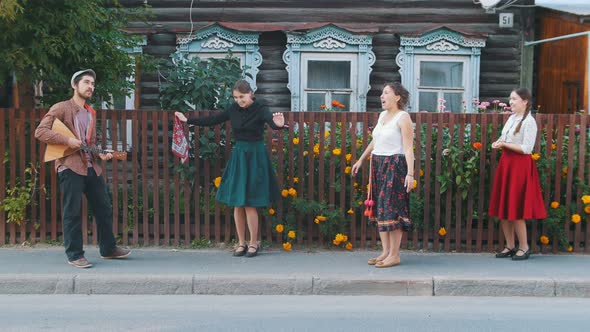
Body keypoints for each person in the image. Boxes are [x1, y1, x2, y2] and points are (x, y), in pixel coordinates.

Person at [175, 79, 285, 258]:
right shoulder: (233, 109)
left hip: (255, 156)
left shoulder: (261, 108)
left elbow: (272, 123)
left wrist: (279, 124)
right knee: (238, 202)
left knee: (250, 203)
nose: (238, 100)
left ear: (250, 94)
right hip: (239, 155)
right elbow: (213, 119)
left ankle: (253, 243)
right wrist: (188, 120)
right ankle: (241, 243)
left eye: (242, 97)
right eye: (235, 97)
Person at [35, 69, 130, 268]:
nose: (90, 86)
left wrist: (101, 153)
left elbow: (90, 143)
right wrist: (67, 140)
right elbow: (41, 131)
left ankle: (108, 249)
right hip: (69, 167)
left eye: (93, 84)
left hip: (90, 167)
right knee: (72, 211)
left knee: (104, 207)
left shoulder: (90, 112)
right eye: (86, 82)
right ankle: (75, 255)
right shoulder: (61, 108)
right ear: (74, 85)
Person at [351, 82, 414, 268]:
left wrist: (410, 174)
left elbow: (409, 148)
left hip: (395, 166)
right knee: (380, 208)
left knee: (392, 209)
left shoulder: (403, 118)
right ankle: (385, 252)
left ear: (397, 97)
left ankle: (395, 254)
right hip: (377, 165)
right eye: (382, 93)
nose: (382, 96)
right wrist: (361, 159)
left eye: (386, 92)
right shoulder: (382, 116)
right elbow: (375, 141)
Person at [489, 88, 546, 261]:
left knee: (517, 206)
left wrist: (504, 144)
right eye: (510, 99)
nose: (510, 102)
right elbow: (505, 139)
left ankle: (524, 247)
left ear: (525, 101)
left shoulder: (529, 122)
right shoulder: (512, 119)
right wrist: (499, 143)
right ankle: (510, 245)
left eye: (514, 99)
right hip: (507, 164)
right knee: (504, 206)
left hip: (520, 166)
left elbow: (527, 149)